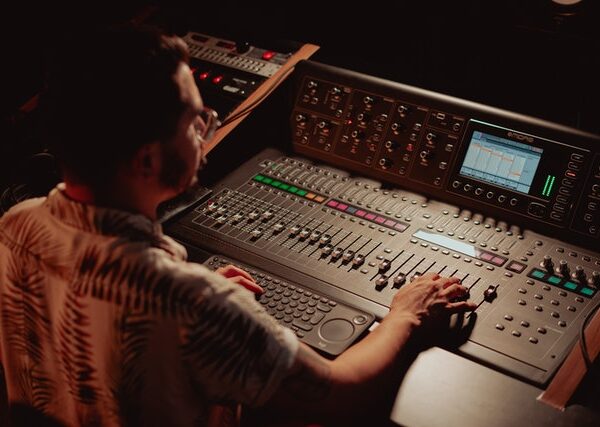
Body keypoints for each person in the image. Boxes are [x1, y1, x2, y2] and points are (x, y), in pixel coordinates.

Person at [0, 23, 476, 427]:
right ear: (147, 159)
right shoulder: (190, 303)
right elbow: (341, 392)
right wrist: (406, 315)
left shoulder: (16, 226)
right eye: (195, 120)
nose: (207, 128)